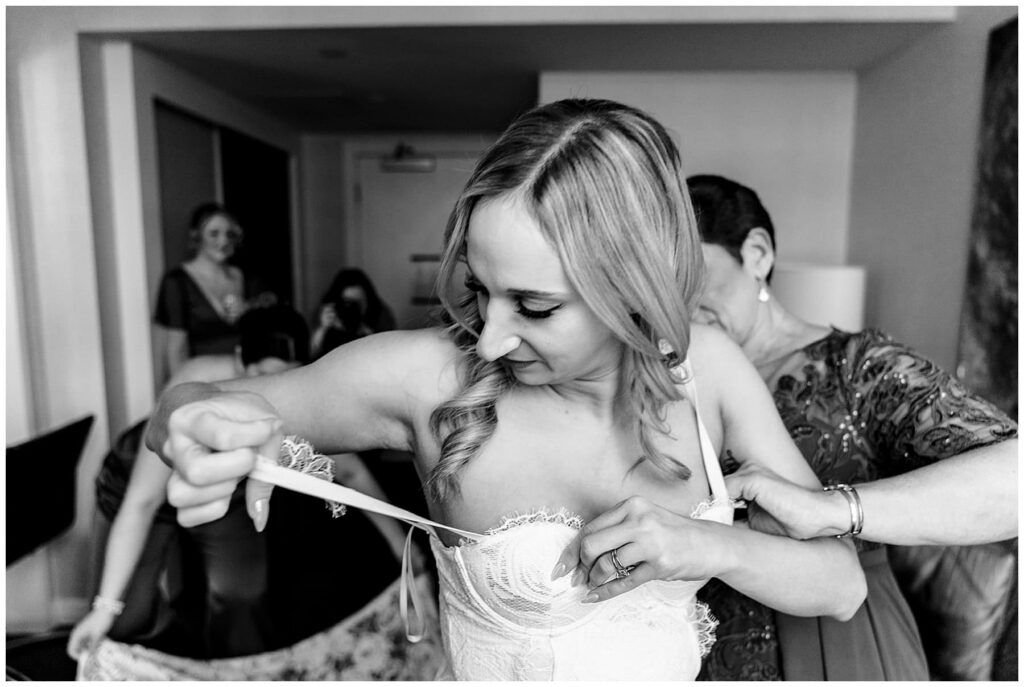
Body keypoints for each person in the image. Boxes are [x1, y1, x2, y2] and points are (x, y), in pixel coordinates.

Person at [145, 99, 867, 681]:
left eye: (534, 306)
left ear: (633, 287)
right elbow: (190, 401)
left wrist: (712, 547)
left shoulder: (708, 370)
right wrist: (194, 428)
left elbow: (841, 585)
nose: (489, 338)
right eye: (480, 289)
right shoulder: (429, 378)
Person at [685, 173, 1018, 680]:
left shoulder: (856, 367)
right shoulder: (670, 380)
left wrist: (833, 510)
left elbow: (1015, 479)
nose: (679, 303)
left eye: (691, 276)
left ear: (757, 254)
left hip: (838, 642)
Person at [68, 304, 312, 660]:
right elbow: (141, 503)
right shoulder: (194, 384)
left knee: (241, 598)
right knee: (123, 621)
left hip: (225, 485)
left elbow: (349, 468)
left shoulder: (302, 392)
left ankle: (233, 672)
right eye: (262, 375)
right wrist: (105, 609)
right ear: (240, 360)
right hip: (141, 480)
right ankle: (164, 635)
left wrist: (397, 543)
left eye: (286, 378)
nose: (272, 388)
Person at [153, 202, 275, 380]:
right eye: (214, 233)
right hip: (204, 379)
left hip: (247, 377)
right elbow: (176, 349)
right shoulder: (177, 281)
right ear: (196, 236)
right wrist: (183, 389)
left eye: (229, 234)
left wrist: (249, 307)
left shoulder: (245, 276)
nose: (223, 241)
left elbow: (273, 305)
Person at [311, 267, 396, 359]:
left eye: (358, 303)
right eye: (347, 303)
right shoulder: (329, 314)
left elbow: (389, 355)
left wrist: (370, 335)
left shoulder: (381, 314)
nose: (352, 308)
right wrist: (322, 329)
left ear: (368, 300)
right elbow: (311, 355)